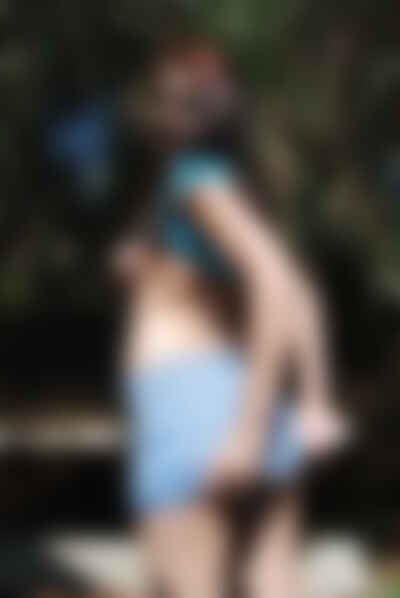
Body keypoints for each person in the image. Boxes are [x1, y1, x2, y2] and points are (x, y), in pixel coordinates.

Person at [110, 39, 348, 598]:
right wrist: (311, 401)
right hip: (237, 400)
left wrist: (248, 429)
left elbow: (278, 283)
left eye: (166, 98)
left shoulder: (195, 180)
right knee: (271, 581)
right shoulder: (225, 188)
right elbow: (299, 293)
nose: (156, 110)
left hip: (193, 410)